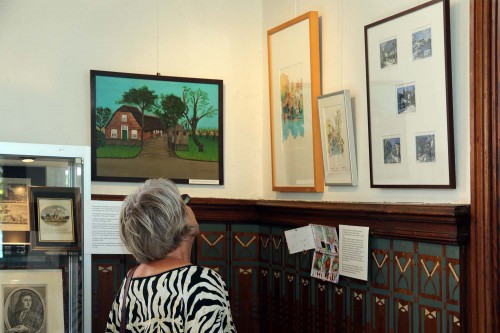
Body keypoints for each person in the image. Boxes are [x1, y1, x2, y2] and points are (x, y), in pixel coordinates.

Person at [105, 178, 236, 333]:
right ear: (175, 221)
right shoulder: (201, 282)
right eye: (183, 202)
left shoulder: (130, 280)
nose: (188, 206)